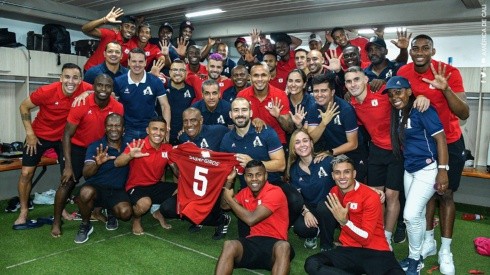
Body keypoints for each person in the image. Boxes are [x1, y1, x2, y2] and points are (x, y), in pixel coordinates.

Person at [397, 34, 469, 275]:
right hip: (421, 146)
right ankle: (428, 241)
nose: (419, 51)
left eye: (425, 48)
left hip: (449, 141)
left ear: (433, 51)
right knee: (425, 197)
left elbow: (464, 112)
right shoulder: (405, 71)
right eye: (415, 48)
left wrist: (445, 89)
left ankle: (445, 250)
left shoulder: (448, 72)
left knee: (445, 194)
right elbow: (398, 95)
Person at [13, 63, 92, 230]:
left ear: (81, 80)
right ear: (61, 78)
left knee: (66, 175)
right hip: (39, 136)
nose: (71, 81)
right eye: (67, 77)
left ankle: (60, 208)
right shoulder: (46, 91)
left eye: (76, 78)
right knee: (26, 172)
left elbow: (109, 92)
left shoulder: (85, 88)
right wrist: (30, 134)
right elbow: (24, 106)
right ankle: (24, 211)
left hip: (64, 138)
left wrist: (88, 92)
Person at [384, 76, 449, 274]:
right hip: (410, 170)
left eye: (399, 91)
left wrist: (443, 171)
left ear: (409, 91)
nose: (395, 96)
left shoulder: (422, 109)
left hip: (428, 170)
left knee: (410, 216)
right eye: (391, 93)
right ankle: (418, 255)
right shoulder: (400, 113)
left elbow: (441, 140)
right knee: (417, 215)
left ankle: (415, 261)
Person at [304, 155, 405, 275]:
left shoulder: (370, 196)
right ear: (332, 176)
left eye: (347, 172)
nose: (342, 177)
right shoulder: (334, 192)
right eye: (337, 173)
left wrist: (344, 222)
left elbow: (366, 238)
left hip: (375, 251)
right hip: (348, 251)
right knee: (312, 263)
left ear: (354, 174)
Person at [52, 74, 124, 237]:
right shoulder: (81, 103)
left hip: (102, 150)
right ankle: (56, 221)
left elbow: (117, 131)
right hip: (78, 148)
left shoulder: (118, 107)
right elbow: (66, 135)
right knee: (66, 183)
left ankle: (97, 211)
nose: (103, 89)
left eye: (107, 86)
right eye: (99, 85)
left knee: (104, 182)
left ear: (112, 89)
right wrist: (69, 166)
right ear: (93, 87)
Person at [220, 98, 303, 237]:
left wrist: (252, 162)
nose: (240, 114)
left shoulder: (266, 132)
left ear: (251, 113)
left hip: (273, 182)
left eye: (244, 110)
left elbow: (281, 164)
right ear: (230, 115)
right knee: (246, 238)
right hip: (248, 188)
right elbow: (224, 170)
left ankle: (278, 226)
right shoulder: (227, 140)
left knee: (295, 200)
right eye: (236, 110)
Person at [215, 160, 294, 274]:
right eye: (250, 175)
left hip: (274, 247)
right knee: (229, 244)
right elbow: (224, 205)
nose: (254, 179)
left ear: (266, 175)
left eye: (259, 174)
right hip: (253, 243)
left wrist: (230, 200)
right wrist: (229, 181)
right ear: (245, 177)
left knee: (284, 246)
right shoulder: (245, 192)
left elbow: (251, 219)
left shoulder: (275, 192)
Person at [161, 141, 239, 240]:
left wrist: (230, 179)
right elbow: (172, 155)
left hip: (211, 195)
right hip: (191, 192)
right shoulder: (187, 153)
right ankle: (198, 219)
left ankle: (222, 219)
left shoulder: (222, 160)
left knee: (210, 209)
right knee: (167, 208)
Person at [74, 113, 132, 244]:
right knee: (85, 192)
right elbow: (86, 174)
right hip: (97, 189)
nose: (113, 129)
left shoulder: (129, 145)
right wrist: (97, 163)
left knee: (126, 213)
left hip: (117, 190)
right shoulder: (96, 146)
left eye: (117, 125)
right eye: (110, 126)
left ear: (123, 129)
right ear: (105, 128)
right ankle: (85, 224)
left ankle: (111, 211)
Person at [114, 117, 177, 235]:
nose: (158, 133)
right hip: (136, 187)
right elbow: (117, 163)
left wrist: (178, 163)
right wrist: (130, 155)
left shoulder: (167, 148)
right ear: (147, 130)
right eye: (154, 129)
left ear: (165, 132)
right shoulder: (137, 145)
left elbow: (176, 171)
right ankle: (136, 219)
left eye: (162, 130)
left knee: (182, 190)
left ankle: (158, 212)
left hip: (155, 185)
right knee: (145, 203)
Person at [306, 73, 367, 181]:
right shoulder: (313, 109)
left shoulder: (345, 109)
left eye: (324, 90)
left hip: (352, 155)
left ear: (332, 92)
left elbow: (353, 144)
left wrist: (330, 152)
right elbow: (311, 140)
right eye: (316, 91)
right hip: (331, 155)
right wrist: (323, 123)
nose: (319, 95)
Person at [287, 129, 336, 251]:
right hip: (311, 208)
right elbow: (296, 198)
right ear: (293, 148)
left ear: (311, 143)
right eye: (297, 142)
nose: (302, 145)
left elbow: (346, 178)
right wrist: (306, 212)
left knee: (323, 206)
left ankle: (326, 245)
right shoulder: (293, 171)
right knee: (300, 229)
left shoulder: (326, 161)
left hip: (332, 207)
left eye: (305, 140)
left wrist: (371, 189)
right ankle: (316, 232)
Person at [114, 48, 171, 141]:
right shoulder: (119, 81)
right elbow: (114, 106)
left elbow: (165, 106)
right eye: (134, 61)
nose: (137, 65)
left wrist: (166, 129)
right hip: (127, 130)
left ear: (145, 62)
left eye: (140, 61)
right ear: (128, 62)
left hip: (150, 129)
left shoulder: (156, 81)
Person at [237, 63, 293, 145]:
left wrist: (278, 116)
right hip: (249, 140)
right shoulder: (242, 95)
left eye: (263, 75)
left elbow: (289, 128)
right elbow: (237, 123)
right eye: (256, 75)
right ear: (250, 78)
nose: (260, 79)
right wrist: (251, 121)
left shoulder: (280, 95)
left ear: (269, 76)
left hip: (276, 141)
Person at [82, 7, 136, 72]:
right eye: (126, 26)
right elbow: (85, 29)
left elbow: (127, 65)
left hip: (110, 74)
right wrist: (104, 20)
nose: (129, 30)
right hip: (92, 69)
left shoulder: (133, 47)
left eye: (132, 28)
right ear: (120, 28)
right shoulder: (111, 34)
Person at [165, 60, 196, 145]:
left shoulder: (192, 90)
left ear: (186, 73)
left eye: (181, 70)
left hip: (184, 136)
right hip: (164, 136)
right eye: (174, 70)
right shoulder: (162, 89)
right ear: (170, 72)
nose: (178, 73)